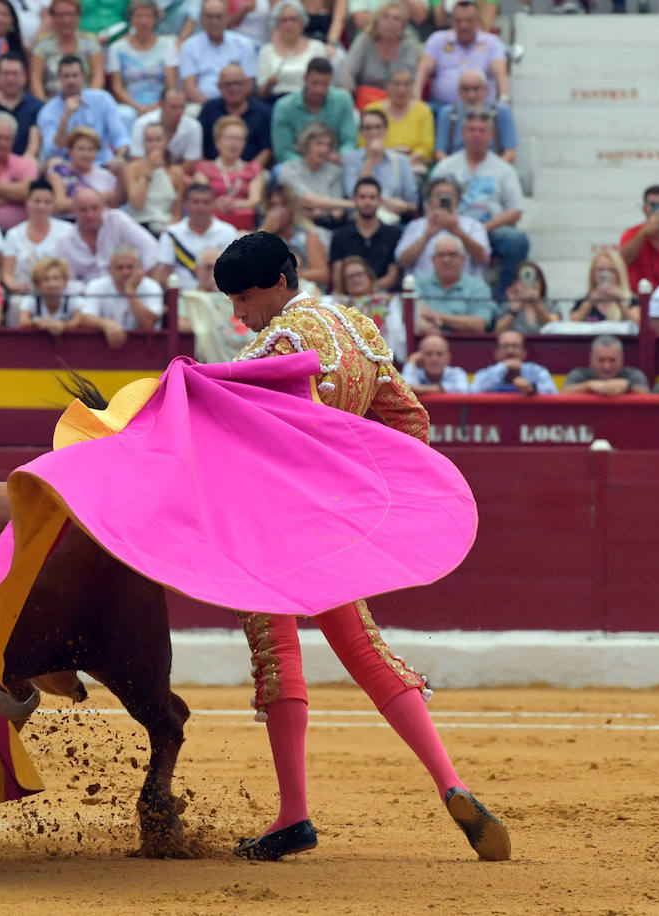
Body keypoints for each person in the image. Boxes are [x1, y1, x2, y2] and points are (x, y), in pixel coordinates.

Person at [208, 230, 508, 864]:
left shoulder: (276, 344)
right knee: (365, 647)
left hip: (272, 526)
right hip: (329, 525)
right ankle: (450, 781)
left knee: (275, 648)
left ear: (281, 284)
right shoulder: (359, 328)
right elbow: (409, 421)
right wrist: (369, 496)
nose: (239, 314)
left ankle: (293, 816)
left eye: (246, 297)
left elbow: (232, 438)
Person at [429, 108, 527, 297]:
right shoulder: (446, 167)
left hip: (490, 228)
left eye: (482, 131)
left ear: (490, 135)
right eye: (471, 130)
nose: (476, 135)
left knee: (516, 240)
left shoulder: (503, 169)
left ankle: (503, 297)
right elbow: (429, 201)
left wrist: (483, 228)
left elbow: (515, 210)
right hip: (448, 226)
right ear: (463, 134)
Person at [412, 0, 509, 112]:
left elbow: (501, 72)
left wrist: (504, 99)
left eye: (469, 20)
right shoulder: (438, 39)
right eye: (459, 21)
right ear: (452, 22)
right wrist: (416, 97)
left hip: (481, 110)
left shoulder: (491, 42)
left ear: (478, 21)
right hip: (443, 107)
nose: (464, 25)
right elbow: (423, 69)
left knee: (502, 112)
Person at [36, 56, 130, 167]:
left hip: (103, 163)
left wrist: (120, 157)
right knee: (54, 164)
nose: (71, 81)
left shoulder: (102, 99)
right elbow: (52, 152)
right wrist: (66, 117)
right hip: (69, 168)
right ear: (59, 79)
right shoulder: (48, 111)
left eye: (75, 75)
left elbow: (120, 137)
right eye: (66, 76)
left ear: (83, 76)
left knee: (124, 167)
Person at [65, 188, 160, 292]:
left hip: (127, 293)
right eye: (83, 210)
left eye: (95, 208)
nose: (90, 215)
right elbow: (64, 282)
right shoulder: (65, 240)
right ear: (74, 211)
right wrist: (90, 292)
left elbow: (151, 252)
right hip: (85, 297)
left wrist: (152, 291)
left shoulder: (118, 221)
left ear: (104, 207)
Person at [270, 58, 357, 168]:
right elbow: (282, 152)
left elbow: (349, 141)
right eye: (315, 83)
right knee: (280, 170)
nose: (319, 90)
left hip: (334, 163)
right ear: (305, 79)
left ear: (331, 80)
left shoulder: (343, 100)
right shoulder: (284, 106)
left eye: (324, 84)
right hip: (297, 166)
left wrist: (340, 156)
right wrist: (309, 164)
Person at [396, 177, 489, 279]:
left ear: (458, 200)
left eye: (448, 196)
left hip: (465, 292)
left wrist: (457, 231)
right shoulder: (416, 225)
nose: (443, 200)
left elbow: (484, 258)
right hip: (423, 290)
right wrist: (427, 235)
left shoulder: (473, 225)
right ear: (429, 200)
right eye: (439, 195)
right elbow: (402, 262)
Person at [152, 182, 238, 290]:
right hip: (182, 299)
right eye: (195, 202)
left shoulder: (228, 232)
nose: (200, 207)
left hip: (220, 298)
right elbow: (163, 275)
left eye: (206, 202)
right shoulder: (171, 234)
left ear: (214, 204)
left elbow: (236, 271)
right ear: (185, 204)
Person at [107, 0, 178, 125]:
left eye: (148, 16)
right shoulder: (117, 48)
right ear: (131, 18)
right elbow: (117, 87)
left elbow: (171, 84)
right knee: (122, 115)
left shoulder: (168, 45)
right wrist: (137, 107)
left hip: (160, 104)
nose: (143, 21)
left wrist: (156, 106)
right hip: (130, 105)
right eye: (139, 16)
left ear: (155, 19)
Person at [0, 178, 75, 295]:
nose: (41, 206)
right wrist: (14, 286)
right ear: (27, 202)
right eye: (37, 201)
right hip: (24, 294)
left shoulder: (67, 230)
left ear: (53, 203)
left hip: (58, 294)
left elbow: (72, 269)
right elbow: (7, 273)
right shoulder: (13, 234)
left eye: (47, 202)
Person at [193, 117, 265, 233]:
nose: (235, 143)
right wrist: (217, 204)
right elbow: (202, 197)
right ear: (218, 142)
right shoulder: (204, 168)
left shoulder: (253, 169)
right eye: (230, 138)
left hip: (244, 230)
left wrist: (236, 204)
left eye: (239, 139)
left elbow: (255, 199)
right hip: (212, 228)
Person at [342, 109, 418, 219]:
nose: (374, 133)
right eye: (368, 128)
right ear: (361, 132)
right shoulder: (350, 159)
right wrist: (371, 158)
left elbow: (413, 203)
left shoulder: (401, 161)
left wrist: (404, 206)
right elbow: (352, 194)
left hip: (392, 221)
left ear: (386, 130)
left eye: (378, 127)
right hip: (359, 219)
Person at [329, 177, 401, 291]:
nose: (367, 202)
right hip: (349, 296)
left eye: (372, 197)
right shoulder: (340, 236)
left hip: (383, 295)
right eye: (362, 197)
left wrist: (368, 288)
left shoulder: (394, 234)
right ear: (355, 200)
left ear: (380, 200)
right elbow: (338, 275)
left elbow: (393, 276)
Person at [414, 235, 494, 335]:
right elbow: (411, 317)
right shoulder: (416, 283)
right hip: (425, 345)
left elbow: (479, 325)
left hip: (464, 346)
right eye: (440, 255)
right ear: (433, 260)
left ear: (463, 259)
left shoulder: (478, 287)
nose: (446, 259)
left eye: (452, 254)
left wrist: (434, 315)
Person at [180, 0, 255, 106]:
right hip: (202, 105)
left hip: (238, 104)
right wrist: (210, 108)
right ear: (202, 19)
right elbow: (189, 87)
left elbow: (248, 84)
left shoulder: (244, 44)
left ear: (227, 17)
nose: (215, 21)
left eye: (219, 16)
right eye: (210, 17)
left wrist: (231, 105)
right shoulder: (189, 46)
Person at [335, 2, 419, 97]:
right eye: (385, 17)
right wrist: (347, 95)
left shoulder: (408, 45)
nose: (390, 22)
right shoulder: (365, 39)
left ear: (403, 25)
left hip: (397, 99)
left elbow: (409, 79)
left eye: (396, 18)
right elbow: (347, 70)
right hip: (365, 97)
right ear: (376, 21)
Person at [433, 70, 517, 165]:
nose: (471, 95)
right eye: (466, 89)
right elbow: (440, 153)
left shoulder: (501, 112)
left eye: (476, 89)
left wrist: (495, 172)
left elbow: (510, 152)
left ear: (486, 89)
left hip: (493, 171)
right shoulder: (447, 114)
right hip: (455, 172)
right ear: (459, 91)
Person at [277, 123, 352, 228]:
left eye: (328, 145)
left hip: (326, 226)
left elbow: (337, 211)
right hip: (294, 226)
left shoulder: (335, 171)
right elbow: (308, 199)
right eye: (319, 144)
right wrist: (353, 204)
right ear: (306, 144)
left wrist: (323, 212)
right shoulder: (289, 169)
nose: (324, 150)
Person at [361, 68, 433, 176]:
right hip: (377, 162)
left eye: (406, 84)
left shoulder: (423, 111)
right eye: (396, 84)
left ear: (412, 86)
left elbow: (426, 148)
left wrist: (402, 163)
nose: (401, 90)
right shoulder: (372, 110)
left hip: (412, 165)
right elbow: (363, 144)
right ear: (387, 86)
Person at [28, 0, 103, 101]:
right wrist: (44, 106)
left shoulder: (91, 42)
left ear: (79, 16)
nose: (66, 20)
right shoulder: (42, 45)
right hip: (52, 104)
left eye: (71, 14)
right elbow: (35, 79)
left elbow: (98, 76)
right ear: (52, 17)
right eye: (60, 15)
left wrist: (91, 100)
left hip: (86, 103)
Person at [199, 64, 272, 166]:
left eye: (238, 83)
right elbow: (199, 145)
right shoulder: (209, 110)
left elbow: (267, 149)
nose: (233, 88)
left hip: (253, 172)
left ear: (247, 84)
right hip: (213, 170)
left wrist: (249, 171)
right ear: (219, 87)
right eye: (228, 84)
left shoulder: (264, 112)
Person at [258, 0, 330, 103]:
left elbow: (325, 81)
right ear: (277, 24)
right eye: (284, 20)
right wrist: (269, 84)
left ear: (302, 21)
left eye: (293, 19)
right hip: (276, 101)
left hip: (310, 101)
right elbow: (261, 93)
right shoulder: (266, 51)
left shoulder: (317, 47)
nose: (289, 24)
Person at [336, 254, 404, 358]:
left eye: (359, 274)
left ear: (369, 276)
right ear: (343, 282)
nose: (355, 279)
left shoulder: (389, 300)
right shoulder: (335, 303)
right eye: (350, 277)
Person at [124, 122, 183, 237]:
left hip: (166, 227)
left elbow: (177, 214)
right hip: (139, 226)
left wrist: (168, 230)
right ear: (144, 143)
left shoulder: (176, 172)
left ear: (165, 142)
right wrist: (149, 171)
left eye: (158, 140)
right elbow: (136, 204)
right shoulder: (132, 168)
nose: (154, 145)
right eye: (149, 140)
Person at [47, 127, 119, 214]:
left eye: (91, 149)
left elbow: (114, 206)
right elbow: (60, 205)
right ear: (70, 151)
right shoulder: (60, 172)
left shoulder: (107, 175)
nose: (86, 154)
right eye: (81, 149)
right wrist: (98, 198)